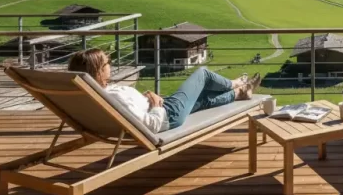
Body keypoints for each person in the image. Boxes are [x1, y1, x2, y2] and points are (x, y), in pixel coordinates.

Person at [68, 48, 261, 133]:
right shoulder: (112, 97)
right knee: (202, 74)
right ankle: (236, 83)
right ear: (97, 71)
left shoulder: (95, 94)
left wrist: (148, 97)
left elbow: (132, 110)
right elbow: (151, 124)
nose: (110, 64)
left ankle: (240, 93)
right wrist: (155, 104)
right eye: (107, 63)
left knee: (201, 98)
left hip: (162, 108)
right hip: (167, 114)